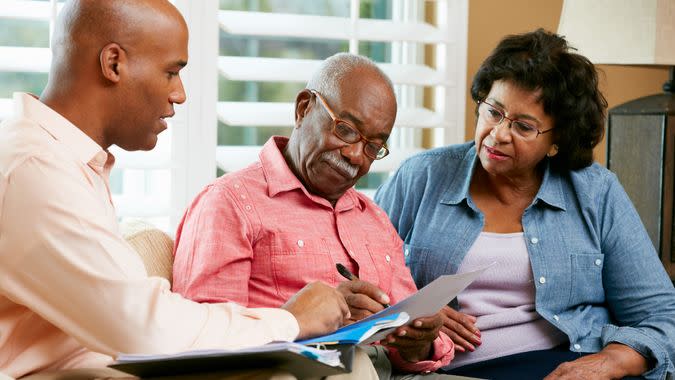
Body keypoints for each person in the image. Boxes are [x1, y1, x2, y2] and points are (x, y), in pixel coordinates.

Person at [0, 1, 372, 379]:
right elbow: (142, 327)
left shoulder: (65, 161)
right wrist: (289, 321)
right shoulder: (34, 170)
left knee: (338, 366)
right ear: (114, 63)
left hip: (102, 366)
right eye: (171, 72)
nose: (180, 94)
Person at [374, 28, 675, 380]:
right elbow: (362, 280)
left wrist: (611, 362)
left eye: (524, 126)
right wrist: (413, 309)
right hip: (447, 369)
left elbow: (661, 315)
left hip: (566, 363)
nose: (499, 133)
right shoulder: (421, 177)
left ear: (557, 140)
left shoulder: (596, 192)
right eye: (494, 112)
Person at [171, 53, 456, 378]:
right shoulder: (229, 203)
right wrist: (315, 322)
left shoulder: (374, 218)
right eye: (346, 130)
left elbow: (413, 339)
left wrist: (419, 341)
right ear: (304, 108)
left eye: (373, 147)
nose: (355, 155)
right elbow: (204, 339)